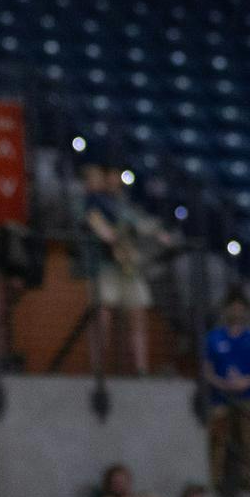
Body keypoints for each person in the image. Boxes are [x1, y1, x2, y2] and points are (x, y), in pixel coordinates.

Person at [83, 160, 170, 378]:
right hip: (106, 265)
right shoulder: (92, 201)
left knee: (138, 312)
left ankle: (141, 369)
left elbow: (139, 224)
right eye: (110, 175)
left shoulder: (124, 204)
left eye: (118, 175)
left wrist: (158, 233)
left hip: (129, 266)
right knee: (103, 312)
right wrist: (113, 239)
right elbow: (97, 224)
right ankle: (99, 368)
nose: (114, 180)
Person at [204, 292, 250, 497]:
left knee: (249, 440)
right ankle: (215, 482)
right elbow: (206, 368)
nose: (236, 311)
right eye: (232, 306)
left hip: (248, 397)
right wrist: (221, 383)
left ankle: (247, 481)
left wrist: (246, 381)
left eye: (240, 307)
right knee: (218, 439)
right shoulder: (214, 338)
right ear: (225, 310)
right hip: (220, 397)